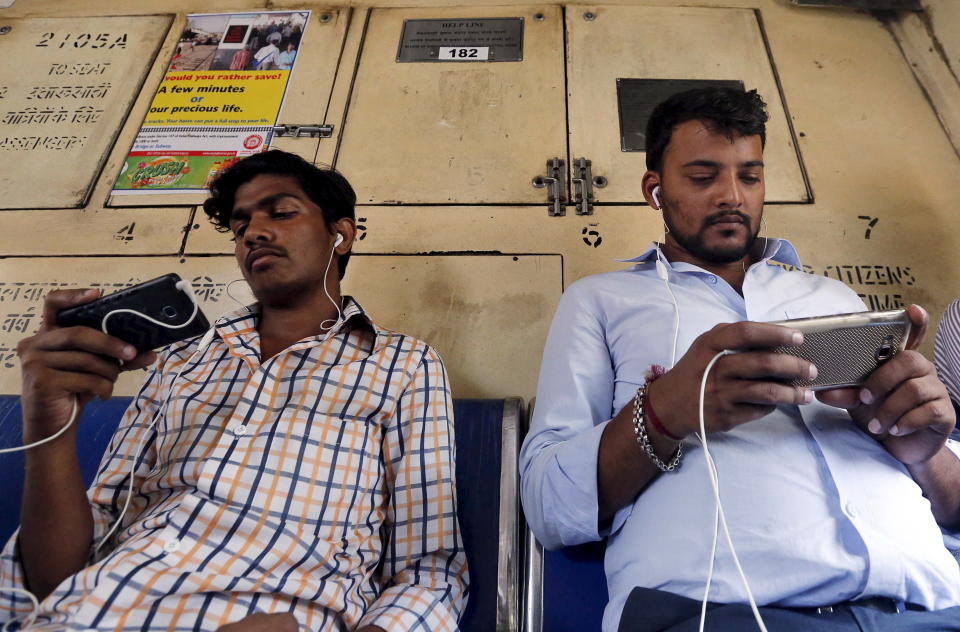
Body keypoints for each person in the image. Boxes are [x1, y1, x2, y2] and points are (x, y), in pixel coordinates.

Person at [520, 86, 960, 632]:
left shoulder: (833, 299)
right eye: (703, 178)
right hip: (719, 614)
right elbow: (546, 505)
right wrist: (662, 414)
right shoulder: (601, 302)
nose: (732, 195)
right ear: (654, 190)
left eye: (749, 177)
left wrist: (925, 454)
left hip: (931, 606)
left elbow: (953, 505)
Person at [2, 150, 467, 631]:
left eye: (281, 213)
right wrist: (49, 428)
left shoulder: (402, 364)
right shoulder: (182, 362)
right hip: (87, 612)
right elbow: (55, 577)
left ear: (341, 235)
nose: (254, 232)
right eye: (240, 225)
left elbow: (429, 574)